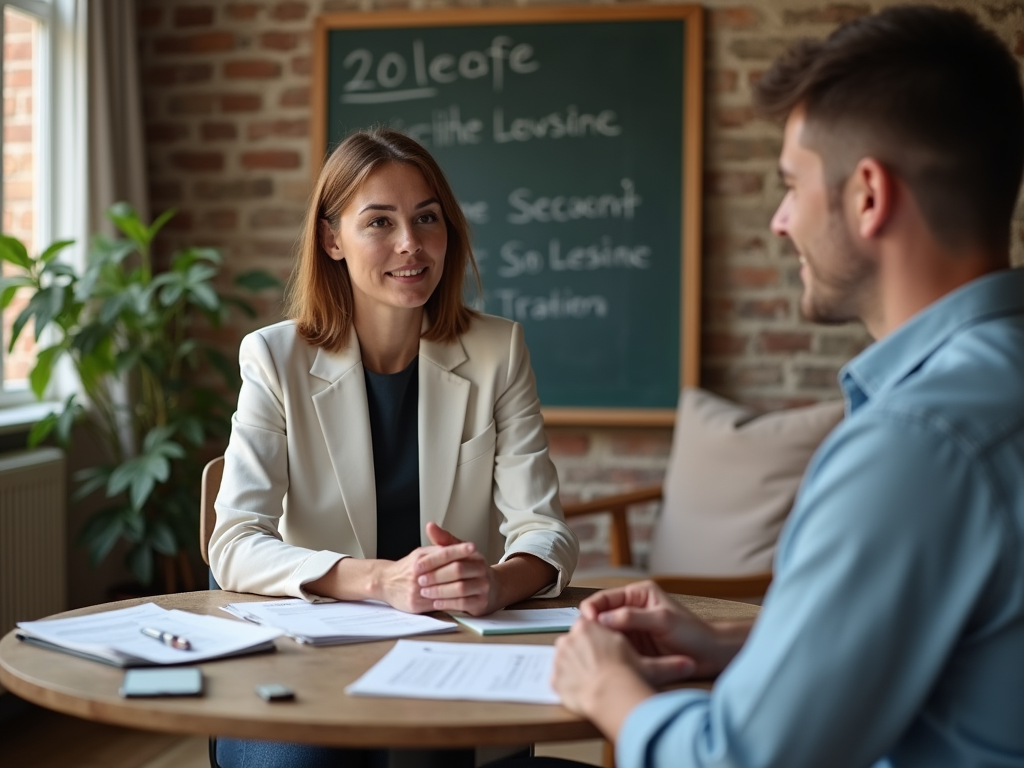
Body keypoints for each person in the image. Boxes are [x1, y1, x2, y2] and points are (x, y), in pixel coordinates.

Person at [543, 6, 1024, 768]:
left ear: (868, 196)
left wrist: (608, 690)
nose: (778, 220)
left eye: (791, 185)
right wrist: (741, 642)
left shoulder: (916, 446)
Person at [209, 127, 578, 767]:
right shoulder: (274, 357)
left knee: (441, 758)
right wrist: (381, 581)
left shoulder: (498, 351)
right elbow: (235, 541)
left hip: (451, 655)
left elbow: (543, 530)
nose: (410, 243)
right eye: (379, 221)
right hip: (309, 660)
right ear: (332, 240)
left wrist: (496, 583)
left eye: (426, 218)